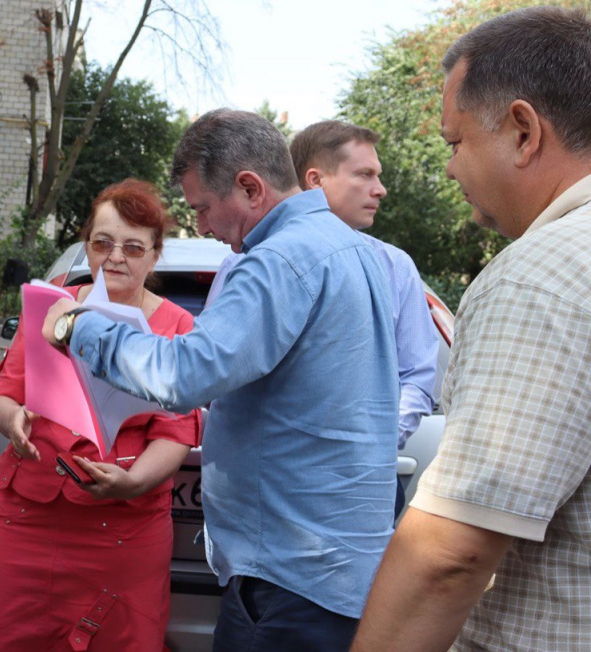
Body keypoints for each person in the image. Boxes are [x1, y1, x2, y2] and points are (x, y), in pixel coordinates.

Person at [42, 110, 398, 651]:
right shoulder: (358, 250)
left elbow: (184, 374)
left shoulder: (279, 261)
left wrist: (78, 324)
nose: (203, 227)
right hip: (333, 567)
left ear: (250, 188)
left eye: (204, 208)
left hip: (288, 575)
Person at [353, 7, 591, 651]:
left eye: (455, 143)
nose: (450, 169)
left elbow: (448, 556)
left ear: (522, 130)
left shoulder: (536, 278)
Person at [0, 179, 202, 650]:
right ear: (86, 246)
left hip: (122, 530)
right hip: (25, 519)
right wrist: (12, 420)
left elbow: (176, 431)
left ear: (155, 255)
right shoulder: (53, 303)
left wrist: (134, 481)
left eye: (133, 247)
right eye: (103, 243)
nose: (116, 257)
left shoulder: (177, 324)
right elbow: (2, 397)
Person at [291, 120, 440, 516]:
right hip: (271, 491)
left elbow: (418, 375)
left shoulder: (394, 268)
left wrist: (375, 442)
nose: (381, 189)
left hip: (364, 489)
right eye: (364, 174)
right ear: (315, 180)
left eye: (379, 176)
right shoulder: (253, 265)